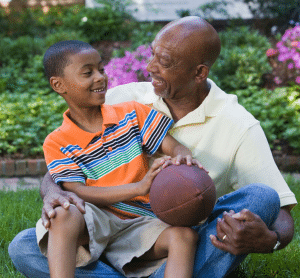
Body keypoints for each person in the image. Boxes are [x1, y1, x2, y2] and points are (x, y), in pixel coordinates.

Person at [9, 16, 297, 278]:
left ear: (198, 73)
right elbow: (66, 164)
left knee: (262, 197)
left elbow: (282, 214)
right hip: (105, 226)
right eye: (152, 55)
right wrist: (54, 193)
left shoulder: (239, 125)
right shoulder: (123, 99)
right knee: (24, 246)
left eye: (166, 61)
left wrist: (269, 240)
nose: (150, 67)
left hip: (169, 232)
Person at [33, 40, 205, 278]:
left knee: (185, 236)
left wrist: (183, 158)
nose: (100, 77)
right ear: (58, 84)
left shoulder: (131, 113)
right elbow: (78, 191)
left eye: (101, 69)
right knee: (62, 213)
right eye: (87, 73)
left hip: (142, 221)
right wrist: (138, 187)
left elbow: (174, 147)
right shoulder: (57, 141)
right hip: (97, 219)